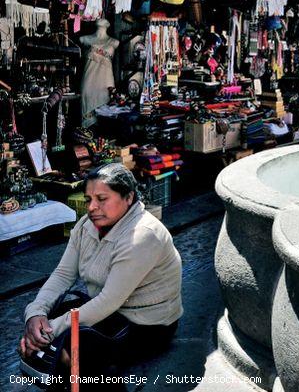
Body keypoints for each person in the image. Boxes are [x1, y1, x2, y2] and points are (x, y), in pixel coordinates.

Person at [19, 164, 182, 388]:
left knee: (72, 347)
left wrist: (47, 333)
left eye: (102, 199)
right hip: (110, 313)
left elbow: (108, 301)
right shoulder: (86, 225)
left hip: (147, 325)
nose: (92, 207)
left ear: (128, 197)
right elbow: (63, 274)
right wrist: (35, 315)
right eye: (88, 199)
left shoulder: (143, 235)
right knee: (44, 320)